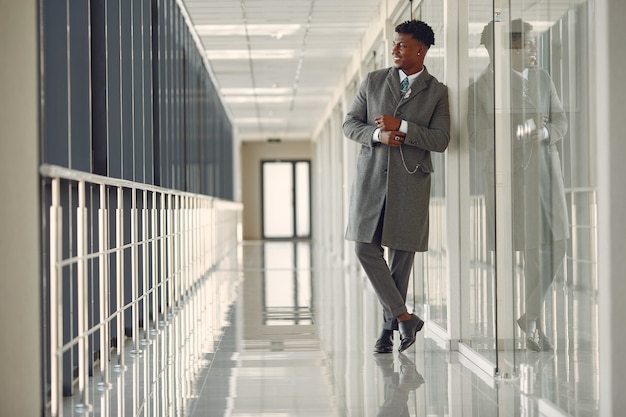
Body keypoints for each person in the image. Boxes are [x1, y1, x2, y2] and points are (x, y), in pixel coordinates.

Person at [343, 20, 450, 354]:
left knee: (400, 260)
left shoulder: (437, 92)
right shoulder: (374, 81)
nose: (394, 50)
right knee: (364, 247)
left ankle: (387, 332)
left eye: (402, 45)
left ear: (420, 49)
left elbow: (441, 139)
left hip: (411, 183)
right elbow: (350, 124)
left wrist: (403, 126)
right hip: (371, 180)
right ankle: (403, 316)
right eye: (394, 44)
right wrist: (378, 135)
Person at [468, 20, 569, 351]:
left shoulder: (542, 78)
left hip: (547, 176)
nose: (533, 49)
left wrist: (543, 133)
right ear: (509, 48)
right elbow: (480, 139)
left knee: (559, 245)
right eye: (527, 43)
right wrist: (524, 130)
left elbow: (560, 121)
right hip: (514, 181)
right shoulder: (483, 87)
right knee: (533, 256)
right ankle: (534, 323)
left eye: (532, 42)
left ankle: (530, 315)